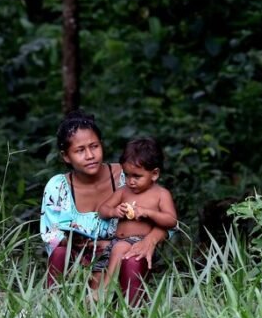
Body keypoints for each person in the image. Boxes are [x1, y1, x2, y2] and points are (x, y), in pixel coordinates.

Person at [40, 111, 167, 304]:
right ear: (66, 156)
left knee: (132, 257)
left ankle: (131, 315)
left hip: (123, 258)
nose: (90, 155)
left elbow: (166, 221)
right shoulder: (58, 188)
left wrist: (150, 240)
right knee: (59, 253)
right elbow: (51, 237)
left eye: (94, 146)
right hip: (79, 264)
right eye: (80, 150)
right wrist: (80, 243)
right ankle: (53, 311)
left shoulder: (127, 176)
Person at [95, 137, 177, 297]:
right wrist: (114, 211)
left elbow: (171, 220)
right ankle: (96, 300)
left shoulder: (161, 194)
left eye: (137, 176)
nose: (131, 181)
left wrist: (148, 212)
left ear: (154, 174)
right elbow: (102, 210)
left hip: (138, 241)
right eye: (126, 175)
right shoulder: (123, 191)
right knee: (98, 268)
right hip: (115, 241)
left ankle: (105, 290)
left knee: (119, 248)